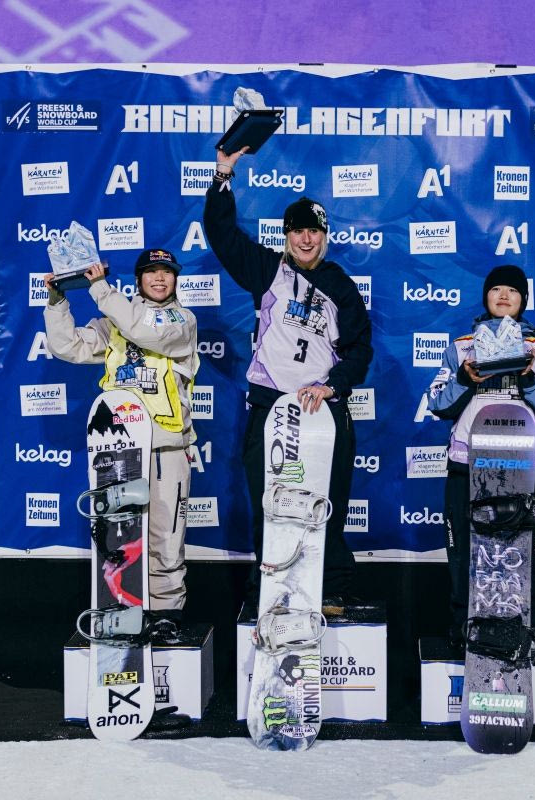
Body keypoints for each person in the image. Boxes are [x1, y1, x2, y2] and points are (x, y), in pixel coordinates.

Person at [203, 147, 373, 614]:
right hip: (271, 407)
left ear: (324, 236)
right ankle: (269, 590)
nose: (305, 238)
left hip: (322, 410)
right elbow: (221, 233)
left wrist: (332, 385)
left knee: (327, 500)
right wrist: (223, 173)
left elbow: (360, 349)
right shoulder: (268, 270)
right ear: (286, 236)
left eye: (313, 230)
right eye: (297, 230)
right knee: (270, 502)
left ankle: (331, 587)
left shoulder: (341, 286)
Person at [42, 248, 199, 642]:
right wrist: (57, 301)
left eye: (167, 272)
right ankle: (121, 608)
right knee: (119, 538)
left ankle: (166, 613)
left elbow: (144, 331)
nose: (160, 279)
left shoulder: (182, 320)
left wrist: (100, 288)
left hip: (165, 447)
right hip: (119, 448)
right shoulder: (114, 320)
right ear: (139, 280)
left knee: (165, 537)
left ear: (176, 279)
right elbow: (67, 346)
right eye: (151, 272)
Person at [424, 264, 535, 649]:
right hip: (468, 467)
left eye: (513, 290)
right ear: (486, 297)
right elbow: (436, 404)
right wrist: (464, 379)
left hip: (527, 470)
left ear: (523, 300)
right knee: (464, 559)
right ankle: (466, 639)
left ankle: (533, 639)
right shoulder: (461, 348)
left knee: (527, 559)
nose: (504, 295)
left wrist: (529, 381)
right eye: (496, 289)